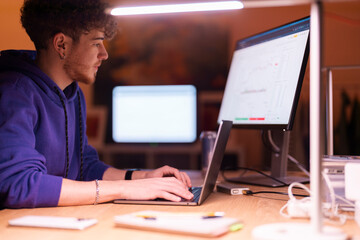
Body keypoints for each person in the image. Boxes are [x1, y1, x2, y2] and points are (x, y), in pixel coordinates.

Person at [0, 0, 193, 209]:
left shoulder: (73, 94)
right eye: (96, 43)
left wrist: (143, 177)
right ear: (61, 45)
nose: (104, 54)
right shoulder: (14, 92)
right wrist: (125, 189)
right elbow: (19, 184)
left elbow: (85, 168)